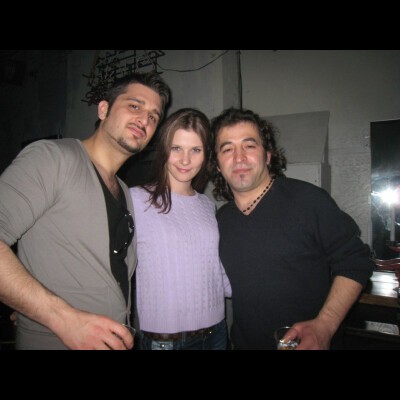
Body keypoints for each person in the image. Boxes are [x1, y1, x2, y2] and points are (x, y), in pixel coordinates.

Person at [0, 71, 171, 350]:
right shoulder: (53, 158)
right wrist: (60, 318)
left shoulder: (124, 190)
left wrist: (28, 301)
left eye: (154, 116)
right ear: (103, 109)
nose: (144, 119)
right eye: (134, 106)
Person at [210, 107, 375, 350]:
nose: (239, 157)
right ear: (217, 164)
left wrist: (325, 325)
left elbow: (355, 262)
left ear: (267, 155)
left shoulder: (309, 201)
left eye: (249, 145)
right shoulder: (220, 220)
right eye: (227, 149)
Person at [130, 108, 231, 350]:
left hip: (216, 332)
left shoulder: (207, 205)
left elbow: (213, 264)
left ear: (206, 155)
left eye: (195, 150)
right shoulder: (135, 199)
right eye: (176, 148)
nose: (185, 160)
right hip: (166, 339)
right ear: (164, 150)